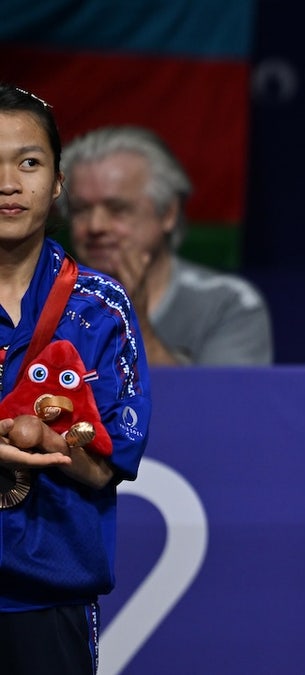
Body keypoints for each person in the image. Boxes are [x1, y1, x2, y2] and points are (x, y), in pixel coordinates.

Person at [0, 84, 152, 674]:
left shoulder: (100, 308)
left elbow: (105, 467)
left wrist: (53, 439)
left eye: (29, 162)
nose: (9, 183)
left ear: (58, 181)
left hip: (49, 600)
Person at [59, 125, 273, 366]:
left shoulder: (227, 305)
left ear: (168, 213)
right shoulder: (35, 299)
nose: (95, 226)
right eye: (80, 210)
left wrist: (133, 324)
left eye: (118, 209)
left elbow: (221, 403)